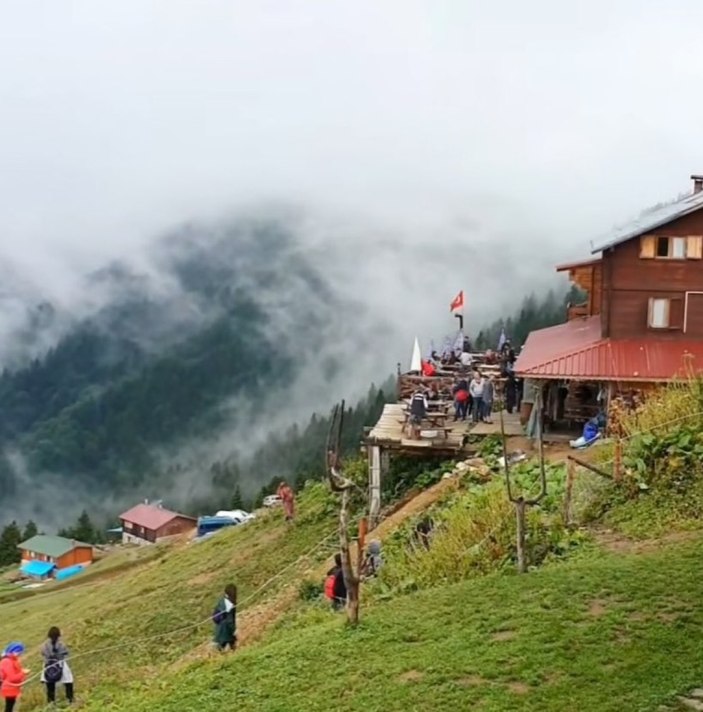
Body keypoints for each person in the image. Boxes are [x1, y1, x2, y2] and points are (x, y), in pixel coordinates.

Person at [41, 626, 74, 705]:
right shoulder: (61, 644)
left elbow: (43, 653)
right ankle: (70, 699)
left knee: (50, 683)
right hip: (60, 664)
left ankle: (51, 703)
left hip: (48, 665)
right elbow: (65, 652)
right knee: (68, 681)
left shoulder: (45, 645)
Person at [0, 642, 28, 712]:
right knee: (9, 708)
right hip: (9, 689)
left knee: (10, 707)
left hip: (12, 689)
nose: (20, 654)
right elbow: (12, 678)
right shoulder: (7, 661)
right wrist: (23, 673)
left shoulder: (12, 660)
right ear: (15, 651)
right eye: (20, 652)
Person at [212, 584, 237, 651]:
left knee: (222, 645)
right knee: (228, 644)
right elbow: (230, 619)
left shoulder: (222, 601)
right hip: (226, 629)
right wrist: (234, 630)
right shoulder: (230, 604)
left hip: (219, 627)